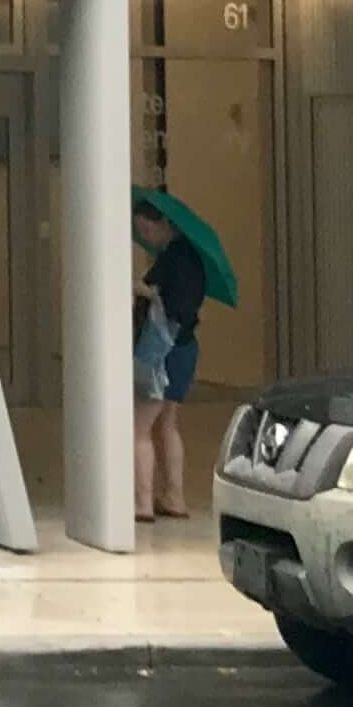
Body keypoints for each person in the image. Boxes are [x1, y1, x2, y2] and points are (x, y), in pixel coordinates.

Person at [131, 192, 208, 523]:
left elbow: (173, 305)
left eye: (147, 230)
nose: (145, 237)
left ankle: (142, 503)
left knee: (139, 428)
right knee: (166, 423)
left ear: (165, 223)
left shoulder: (174, 260)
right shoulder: (191, 258)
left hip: (162, 351)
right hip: (185, 348)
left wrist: (144, 290)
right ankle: (174, 496)